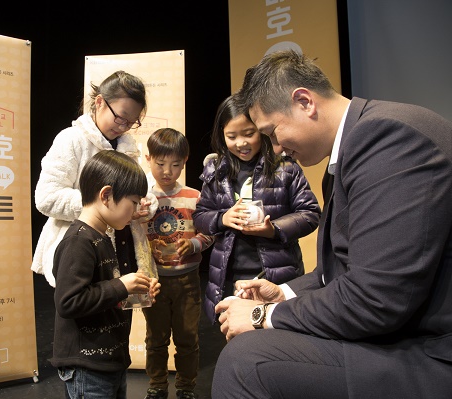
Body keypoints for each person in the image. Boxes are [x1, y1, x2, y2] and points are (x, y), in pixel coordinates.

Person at [213, 49, 452, 399]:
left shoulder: (388, 140)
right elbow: (339, 273)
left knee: (245, 361)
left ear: (305, 101)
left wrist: (265, 314)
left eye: (273, 132)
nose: (275, 148)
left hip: (431, 351)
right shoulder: (355, 148)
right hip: (407, 335)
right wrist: (285, 293)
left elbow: (375, 300)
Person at [192, 93, 321, 324]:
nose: (241, 143)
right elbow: (200, 216)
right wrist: (223, 218)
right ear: (221, 136)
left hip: (276, 274)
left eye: (249, 134)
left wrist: (274, 230)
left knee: (277, 340)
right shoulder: (216, 170)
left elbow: (310, 213)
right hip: (229, 276)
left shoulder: (285, 167)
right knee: (234, 339)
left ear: (261, 130)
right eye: (231, 136)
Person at [31, 70, 157, 288]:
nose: (124, 126)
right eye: (120, 117)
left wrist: (144, 204)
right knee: (86, 308)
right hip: (81, 249)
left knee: (118, 312)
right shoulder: (71, 140)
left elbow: (136, 190)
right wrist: (101, 205)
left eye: (132, 122)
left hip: (123, 249)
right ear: (100, 102)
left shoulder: (127, 146)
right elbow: (46, 197)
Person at [52, 150, 160, 399]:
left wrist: (135, 292)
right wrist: (122, 285)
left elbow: (102, 295)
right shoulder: (78, 242)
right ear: (107, 195)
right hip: (87, 368)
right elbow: (69, 302)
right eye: (132, 203)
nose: (135, 211)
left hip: (110, 361)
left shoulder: (103, 237)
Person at [140, 128, 214, 399]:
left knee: (187, 338)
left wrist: (194, 244)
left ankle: (186, 387)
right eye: (160, 164)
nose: (167, 171)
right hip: (155, 281)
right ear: (148, 159)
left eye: (175, 165)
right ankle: (157, 386)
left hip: (187, 280)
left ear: (185, 161)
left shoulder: (195, 196)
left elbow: (210, 232)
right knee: (155, 339)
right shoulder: (143, 198)